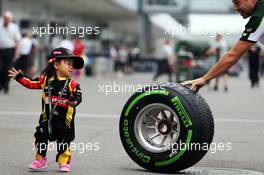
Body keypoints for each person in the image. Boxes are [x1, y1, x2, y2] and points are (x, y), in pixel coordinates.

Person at [8, 47, 84, 172]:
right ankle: (40, 160)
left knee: (64, 140)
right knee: (40, 136)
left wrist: (73, 101)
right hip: (46, 120)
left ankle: (64, 161)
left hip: (65, 122)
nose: (71, 67)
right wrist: (19, 77)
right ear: (56, 64)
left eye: (72, 65)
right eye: (68, 64)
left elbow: (78, 98)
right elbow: (30, 83)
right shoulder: (45, 81)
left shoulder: (73, 84)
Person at [182, 0, 264, 91]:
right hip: (222, 62)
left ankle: (223, 85)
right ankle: (223, 85)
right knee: (223, 74)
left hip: (223, 60)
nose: (235, 8)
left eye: (237, 2)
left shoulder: (259, 17)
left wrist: (204, 78)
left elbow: (232, 55)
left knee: (223, 74)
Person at [0, 11, 21, 94]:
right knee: (0, 68)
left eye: (8, 19)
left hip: (9, 50)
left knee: (7, 69)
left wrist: (17, 52)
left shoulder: (14, 27)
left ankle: (6, 85)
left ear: (10, 19)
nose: (6, 20)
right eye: (5, 19)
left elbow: (17, 41)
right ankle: (1, 83)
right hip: (1, 50)